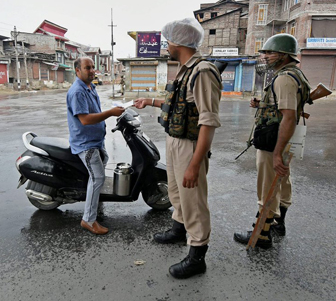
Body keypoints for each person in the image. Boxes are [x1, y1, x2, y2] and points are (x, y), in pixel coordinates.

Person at [134, 18, 222, 279]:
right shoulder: (186, 69)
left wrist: (195, 164)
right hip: (175, 139)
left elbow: (208, 120)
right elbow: (178, 105)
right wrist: (149, 101)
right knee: (176, 192)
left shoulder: (203, 71)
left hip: (189, 146)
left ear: (179, 42)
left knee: (193, 200)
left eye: (168, 40)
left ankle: (197, 256)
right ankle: (178, 230)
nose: (166, 45)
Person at [233, 33, 311, 249]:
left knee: (267, 186)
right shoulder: (294, 73)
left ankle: (261, 235)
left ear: (284, 55)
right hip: (287, 136)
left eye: (269, 52)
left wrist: (276, 153)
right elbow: (288, 107)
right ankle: (279, 223)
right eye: (264, 52)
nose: (265, 56)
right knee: (282, 180)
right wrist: (263, 104)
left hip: (275, 139)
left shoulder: (284, 78)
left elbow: (288, 116)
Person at [67, 57, 125, 235]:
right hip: (86, 144)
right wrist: (110, 113)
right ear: (78, 71)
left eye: (93, 67)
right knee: (98, 178)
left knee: (99, 173)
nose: (92, 71)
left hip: (96, 140)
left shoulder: (90, 87)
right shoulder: (78, 91)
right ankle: (89, 220)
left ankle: (94, 201)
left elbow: (94, 112)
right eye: (87, 68)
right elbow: (84, 119)